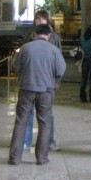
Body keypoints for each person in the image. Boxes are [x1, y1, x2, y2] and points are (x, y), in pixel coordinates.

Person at [8, 23, 66, 166]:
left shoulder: (25, 48)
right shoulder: (53, 50)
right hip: (46, 90)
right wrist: (55, 80)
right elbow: (60, 69)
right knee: (44, 123)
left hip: (26, 88)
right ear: (49, 35)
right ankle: (42, 157)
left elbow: (16, 66)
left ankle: (15, 158)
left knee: (21, 121)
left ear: (35, 34)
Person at [24, 10, 62, 152]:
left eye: (42, 19)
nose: (39, 21)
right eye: (37, 19)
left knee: (47, 114)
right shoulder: (29, 36)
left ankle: (49, 142)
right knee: (27, 113)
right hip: (31, 79)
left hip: (47, 81)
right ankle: (25, 142)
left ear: (48, 20)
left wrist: (57, 80)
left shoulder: (55, 38)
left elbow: (59, 61)